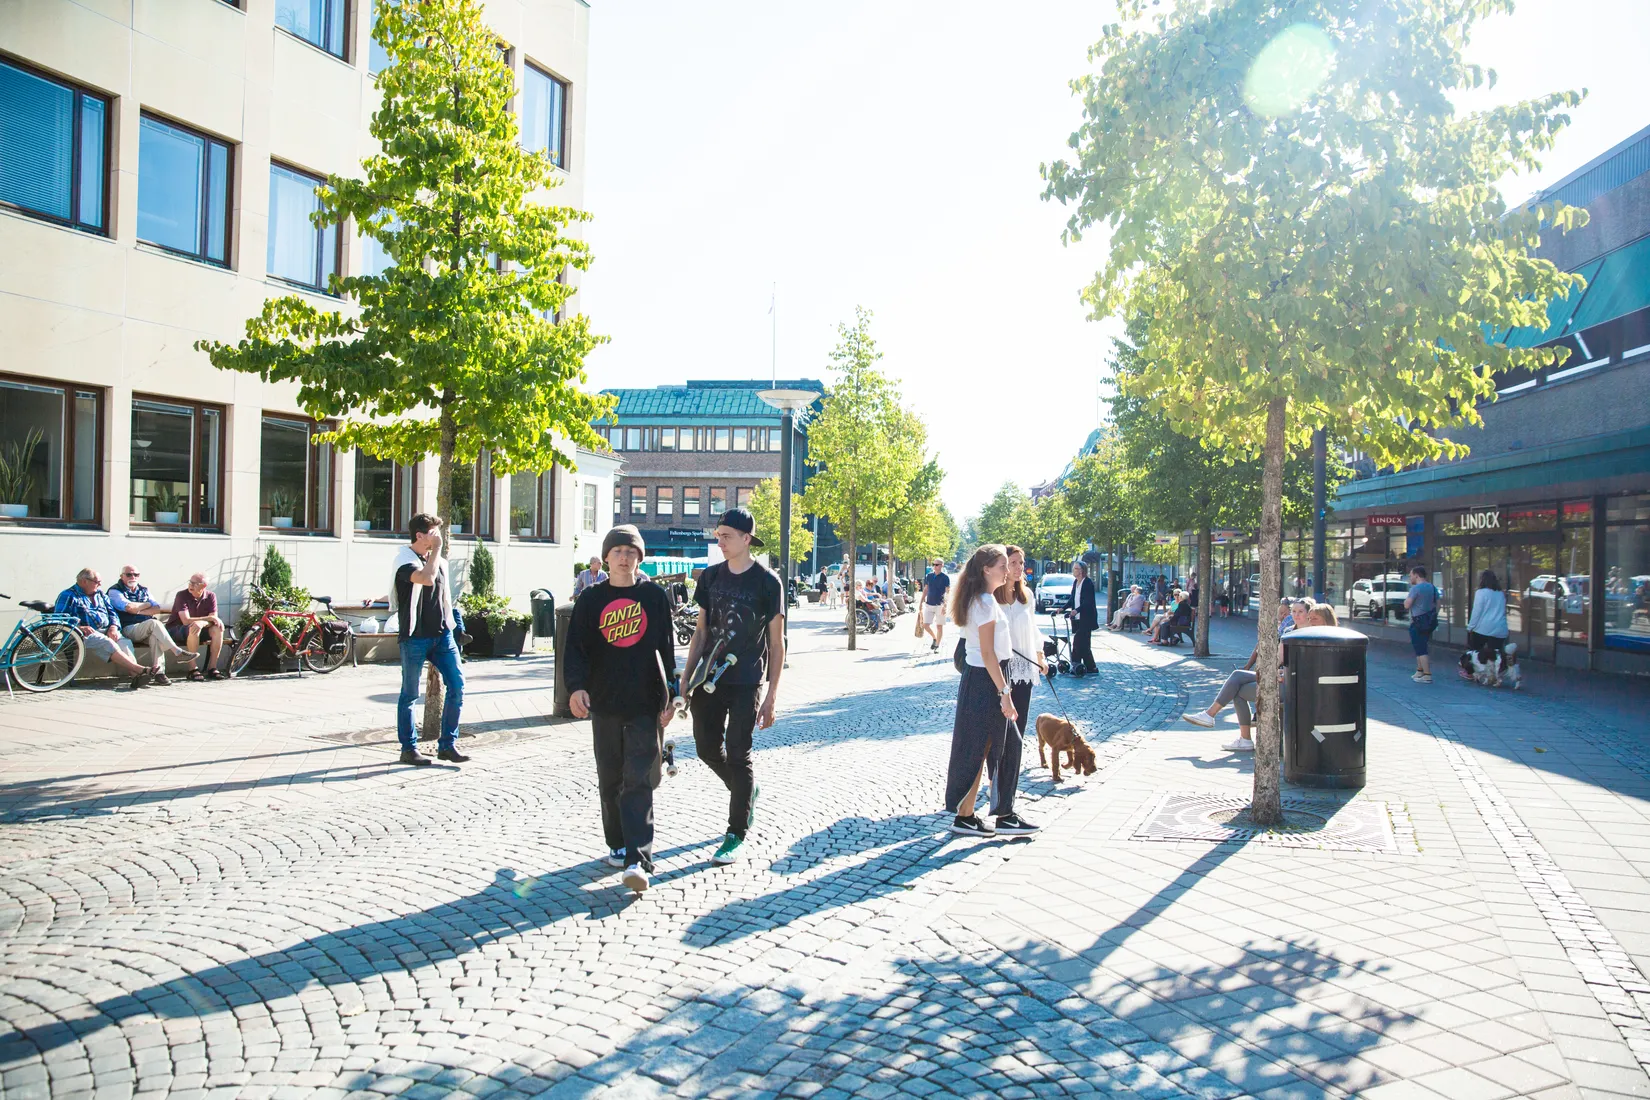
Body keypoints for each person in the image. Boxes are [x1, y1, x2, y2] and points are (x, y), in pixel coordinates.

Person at [565, 525, 677, 894]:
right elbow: (576, 648)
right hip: (605, 701)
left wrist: (670, 696)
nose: (625, 558)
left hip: (645, 702)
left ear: (639, 558)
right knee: (610, 777)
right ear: (606, 558)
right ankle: (616, 841)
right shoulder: (591, 599)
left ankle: (638, 859)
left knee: (639, 779)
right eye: (618, 552)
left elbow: (666, 650)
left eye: (631, 552)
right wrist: (576, 687)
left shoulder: (654, 597)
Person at [685, 507, 785, 866]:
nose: (720, 542)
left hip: (747, 680)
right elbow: (700, 632)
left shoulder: (768, 582)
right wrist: (685, 679)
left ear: (746, 539)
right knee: (706, 749)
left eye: (726, 536)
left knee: (739, 753)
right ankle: (746, 792)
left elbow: (776, 643)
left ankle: (735, 833)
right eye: (718, 535)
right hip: (708, 678)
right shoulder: (710, 577)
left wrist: (771, 695)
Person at [944, 544, 1018, 837]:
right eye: (1002, 566)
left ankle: (968, 814)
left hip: (982, 678)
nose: (1006, 571)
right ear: (986, 569)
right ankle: (967, 816)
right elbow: (988, 654)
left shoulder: (981, 599)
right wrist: (1005, 693)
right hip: (985, 680)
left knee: (980, 747)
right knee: (979, 748)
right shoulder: (984, 603)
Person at [1185, 600, 1323, 751]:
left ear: (1308, 614)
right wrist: (1274, 670)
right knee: (1237, 681)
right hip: (1278, 678)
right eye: (1294, 611)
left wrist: (1284, 671)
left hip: (1294, 686)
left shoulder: (1312, 634)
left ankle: (1221, 723)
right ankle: (1230, 729)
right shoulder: (1288, 631)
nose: (1296, 615)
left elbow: (1311, 665)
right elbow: (1279, 659)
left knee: (1237, 686)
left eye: (1300, 612)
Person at [392, 513, 469, 766]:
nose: (439, 538)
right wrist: (436, 550)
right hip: (414, 637)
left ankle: (447, 745)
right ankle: (408, 749)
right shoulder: (404, 560)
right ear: (419, 535)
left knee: (457, 686)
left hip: (441, 635)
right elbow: (426, 579)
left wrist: (453, 626)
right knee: (409, 694)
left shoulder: (439, 562)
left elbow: (444, 596)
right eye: (433, 533)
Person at [988, 546, 1043, 836]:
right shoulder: (992, 598)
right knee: (998, 737)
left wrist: (1041, 656)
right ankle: (998, 795)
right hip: (1000, 673)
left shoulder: (1026, 595)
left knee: (1016, 737)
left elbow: (1033, 629)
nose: (1019, 567)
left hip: (1023, 673)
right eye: (1013, 562)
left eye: (1021, 562)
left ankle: (1005, 798)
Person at [54, 568, 154, 687]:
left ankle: (136, 676)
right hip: (79, 634)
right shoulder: (68, 595)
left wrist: (113, 627)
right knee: (106, 642)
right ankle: (140, 670)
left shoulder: (100, 594)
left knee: (124, 642)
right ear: (84, 581)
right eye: (97, 582)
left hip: (105, 630)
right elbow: (59, 619)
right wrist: (80, 627)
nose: (100, 584)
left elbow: (112, 613)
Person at [108, 565, 198, 686]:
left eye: (136, 575)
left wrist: (138, 609)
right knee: (154, 623)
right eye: (129, 574)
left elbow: (156, 608)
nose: (133, 577)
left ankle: (159, 673)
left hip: (146, 628)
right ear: (121, 576)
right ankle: (177, 651)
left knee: (155, 636)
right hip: (128, 628)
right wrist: (146, 604)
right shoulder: (115, 591)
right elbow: (129, 608)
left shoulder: (144, 590)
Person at [169, 573, 226, 680]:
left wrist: (202, 622)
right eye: (190, 582)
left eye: (195, 583)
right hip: (176, 629)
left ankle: (212, 668)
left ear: (203, 586)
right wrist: (204, 620)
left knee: (217, 628)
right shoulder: (181, 595)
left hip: (198, 628)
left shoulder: (211, 596)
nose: (191, 585)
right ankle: (193, 669)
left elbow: (213, 619)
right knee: (194, 627)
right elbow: (185, 621)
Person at [1463, 569, 1509, 679]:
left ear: (1482, 580)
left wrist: (1470, 627)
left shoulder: (1481, 593)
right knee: (1494, 655)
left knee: (1473, 652)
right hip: (1499, 628)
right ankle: (1494, 675)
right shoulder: (1500, 594)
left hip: (1483, 628)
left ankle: (1471, 673)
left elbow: (1477, 611)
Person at [1403, 567, 1438, 683]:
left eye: (1411, 575)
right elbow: (1438, 604)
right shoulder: (1432, 587)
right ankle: (1419, 671)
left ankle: (1427, 675)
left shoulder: (1415, 589)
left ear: (1416, 575)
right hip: (1429, 621)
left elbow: (1407, 605)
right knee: (1420, 646)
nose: (1410, 578)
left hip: (1417, 621)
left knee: (1421, 649)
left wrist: (1406, 601)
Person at [1068, 561, 1098, 675]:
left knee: (1077, 642)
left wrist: (1077, 610)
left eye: (1076, 568)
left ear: (1081, 570)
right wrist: (1062, 608)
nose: (1073, 570)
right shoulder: (1076, 582)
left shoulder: (1088, 583)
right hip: (1077, 619)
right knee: (1084, 644)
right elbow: (1072, 599)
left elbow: (1088, 602)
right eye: (1074, 568)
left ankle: (1075, 665)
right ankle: (1091, 667)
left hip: (1086, 618)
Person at [919, 558, 951, 652]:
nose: (935, 566)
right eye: (934, 564)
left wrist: (945, 605)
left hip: (940, 605)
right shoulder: (929, 576)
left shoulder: (945, 577)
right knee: (925, 625)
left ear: (942, 565)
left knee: (939, 626)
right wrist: (921, 602)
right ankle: (934, 638)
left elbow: (947, 592)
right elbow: (925, 589)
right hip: (929, 604)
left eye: (937, 564)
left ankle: (937, 645)